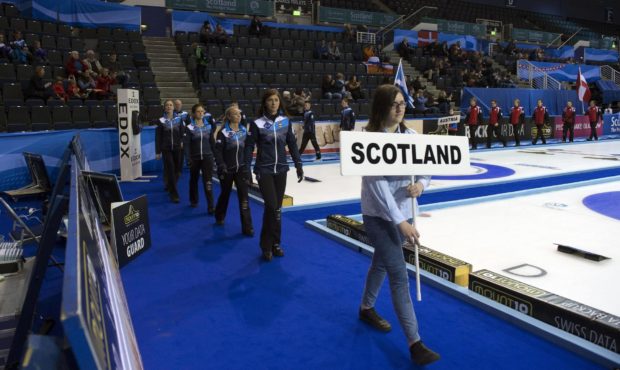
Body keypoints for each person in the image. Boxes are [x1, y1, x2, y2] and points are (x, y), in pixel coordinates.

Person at [358, 84, 439, 366]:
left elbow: (426, 168)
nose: (400, 107)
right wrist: (400, 222)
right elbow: (376, 185)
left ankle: (366, 307)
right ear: (381, 107)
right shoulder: (367, 139)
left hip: (406, 214)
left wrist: (421, 184)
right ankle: (415, 343)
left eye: (402, 102)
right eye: (394, 103)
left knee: (381, 263)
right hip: (379, 217)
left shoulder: (413, 136)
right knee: (398, 275)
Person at [244, 89, 304, 261]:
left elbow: (292, 144)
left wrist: (299, 164)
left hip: (282, 170)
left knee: (277, 209)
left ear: (280, 103)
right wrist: (247, 168)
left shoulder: (285, 122)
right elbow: (249, 147)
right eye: (270, 100)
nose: (273, 103)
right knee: (271, 206)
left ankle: (276, 243)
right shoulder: (257, 124)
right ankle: (265, 245)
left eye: (276, 100)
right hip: (264, 170)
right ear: (264, 103)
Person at [214, 105, 254, 236]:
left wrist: (247, 167)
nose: (239, 116)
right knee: (225, 194)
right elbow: (218, 151)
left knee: (244, 198)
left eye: (239, 114)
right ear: (229, 116)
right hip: (227, 170)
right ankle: (219, 216)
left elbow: (248, 149)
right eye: (235, 114)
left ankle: (247, 227)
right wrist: (221, 165)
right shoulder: (223, 132)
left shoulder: (244, 131)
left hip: (241, 169)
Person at [184, 103, 216, 212]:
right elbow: (187, 144)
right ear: (193, 113)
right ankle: (194, 200)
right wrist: (188, 158)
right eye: (198, 111)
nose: (201, 113)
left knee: (208, 181)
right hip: (195, 158)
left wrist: (216, 156)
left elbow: (212, 142)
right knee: (194, 180)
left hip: (208, 157)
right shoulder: (189, 127)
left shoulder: (209, 126)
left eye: (202, 111)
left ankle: (211, 205)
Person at [156, 100, 184, 203]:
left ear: (173, 107)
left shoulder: (179, 119)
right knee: (171, 169)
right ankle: (174, 194)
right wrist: (158, 151)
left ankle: (169, 184)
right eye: (167, 105)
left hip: (177, 148)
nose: (169, 106)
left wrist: (182, 141)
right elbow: (158, 137)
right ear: (164, 108)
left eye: (170, 105)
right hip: (166, 149)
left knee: (178, 170)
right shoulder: (161, 120)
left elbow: (183, 132)